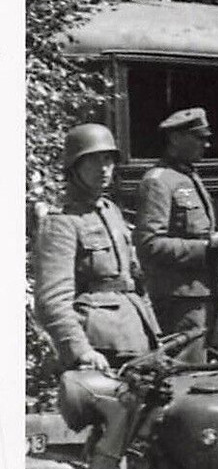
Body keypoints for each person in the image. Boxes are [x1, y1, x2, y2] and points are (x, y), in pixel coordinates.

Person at [34, 123, 161, 370]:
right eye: (93, 161)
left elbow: (134, 281)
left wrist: (152, 330)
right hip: (98, 347)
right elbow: (51, 300)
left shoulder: (111, 211)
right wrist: (80, 350)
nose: (104, 169)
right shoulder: (61, 222)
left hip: (136, 336)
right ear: (74, 167)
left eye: (108, 160)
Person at [134, 108, 218, 364]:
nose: (206, 144)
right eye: (198, 137)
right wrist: (207, 247)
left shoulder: (189, 176)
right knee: (188, 372)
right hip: (183, 299)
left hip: (215, 290)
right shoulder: (158, 182)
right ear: (174, 139)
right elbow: (149, 244)